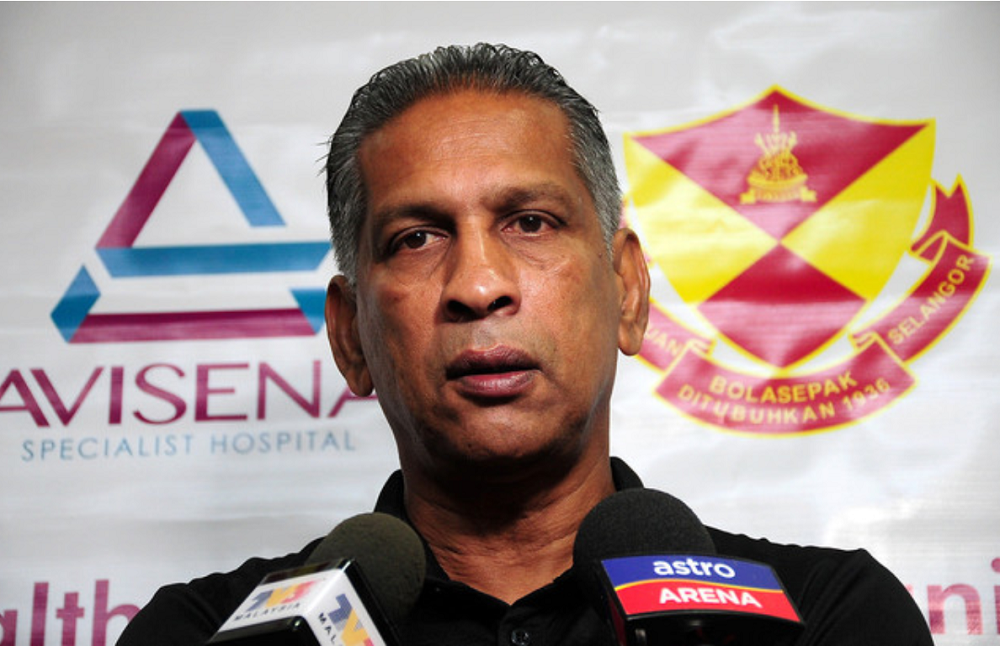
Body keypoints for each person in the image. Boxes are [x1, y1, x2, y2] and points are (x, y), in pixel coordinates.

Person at [117, 43, 932, 645]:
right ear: (349, 336)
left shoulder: (828, 614)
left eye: (530, 223)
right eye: (415, 239)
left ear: (629, 292)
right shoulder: (202, 634)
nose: (478, 284)